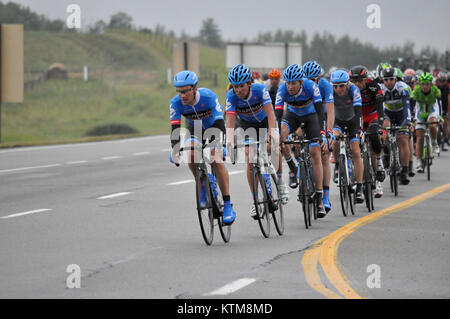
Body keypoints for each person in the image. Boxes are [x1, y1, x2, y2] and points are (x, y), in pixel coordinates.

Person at [169, 70, 236, 225]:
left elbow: (220, 124)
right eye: (179, 91)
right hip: (194, 131)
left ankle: (227, 205)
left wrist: (217, 144)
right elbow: (175, 129)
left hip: (214, 128)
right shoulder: (175, 103)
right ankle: (202, 186)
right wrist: (175, 150)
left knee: (216, 159)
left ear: (195, 89)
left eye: (186, 91)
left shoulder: (209, 96)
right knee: (191, 153)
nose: (182, 95)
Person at [225, 64, 287, 219]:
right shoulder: (231, 96)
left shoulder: (260, 90)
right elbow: (230, 122)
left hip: (266, 121)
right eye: (235, 86)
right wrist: (229, 142)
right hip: (247, 125)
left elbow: (271, 114)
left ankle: (280, 181)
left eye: (241, 86)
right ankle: (256, 201)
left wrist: (272, 133)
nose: (238, 90)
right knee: (249, 156)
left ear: (249, 84)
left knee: (273, 147)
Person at [276, 64, 327, 217]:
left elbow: (320, 112)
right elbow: (277, 115)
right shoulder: (282, 90)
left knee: (315, 151)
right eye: (288, 83)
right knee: (282, 134)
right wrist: (277, 135)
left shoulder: (311, 87)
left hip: (312, 117)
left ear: (301, 82)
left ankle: (319, 197)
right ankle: (292, 166)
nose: (290, 86)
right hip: (292, 117)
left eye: (293, 83)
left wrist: (322, 133)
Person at [349, 65, 386, 198]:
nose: (357, 84)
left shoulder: (373, 86)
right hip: (357, 117)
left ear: (366, 80)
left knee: (374, 135)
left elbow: (380, 107)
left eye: (360, 81)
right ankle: (356, 176)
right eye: (354, 81)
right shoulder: (348, 89)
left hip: (372, 115)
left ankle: (379, 163)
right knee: (354, 146)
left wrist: (380, 124)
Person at [302, 60, 334, 213]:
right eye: (307, 80)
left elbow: (330, 112)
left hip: (322, 117)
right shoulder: (301, 86)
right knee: (295, 140)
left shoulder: (325, 86)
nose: (311, 83)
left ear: (319, 78)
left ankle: (325, 194)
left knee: (325, 153)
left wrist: (328, 133)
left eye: (314, 80)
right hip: (306, 116)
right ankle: (298, 169)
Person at [329, 70, 365, 204]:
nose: (338, 89)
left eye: (341, 85)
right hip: (337, 121)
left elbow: (358, 111)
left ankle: (360, 186)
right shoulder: (330, 91)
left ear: (347, 83)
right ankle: (338, 165)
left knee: (356, 151)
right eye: (335, 86)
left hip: (352, 121)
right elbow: (327, 111)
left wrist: (359, 129)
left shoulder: (353, 90)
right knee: (335, 139)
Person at [379, 67, 412, 185]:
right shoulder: (380, 89)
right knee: (385, 130)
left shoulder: (403, 88)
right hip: (387, 114)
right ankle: (387, 151)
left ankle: (405, 170)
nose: (388, 82)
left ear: (396, 79)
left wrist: (407, 122)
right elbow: (378, 110)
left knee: (403, 139)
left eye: (391, 79)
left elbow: (407, 107)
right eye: (386, 80)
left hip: (401, 114)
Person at [412, 72, 442, 172]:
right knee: (419, 138)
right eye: (423, 84)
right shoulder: (416, 92)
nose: (425, 86)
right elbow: (412, 105)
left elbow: (439, 105)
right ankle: (419, 161)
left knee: (433, 125)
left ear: (431, 84)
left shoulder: (435, 91)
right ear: (419, 84)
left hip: (432, 112)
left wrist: (440, 117)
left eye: (427, 84)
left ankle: (434, 142)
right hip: (420, 114)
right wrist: (413, 118)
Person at [435, 71, 449, 151]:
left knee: (446, 122)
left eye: (443, 81)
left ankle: (446, 140)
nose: (441, 82)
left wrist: (447, 111)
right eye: (440, 80)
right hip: (436, 105)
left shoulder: (448, 87)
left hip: (445, 105)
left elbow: (448, 100)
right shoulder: (435, 87)